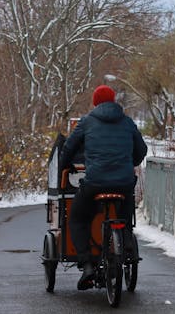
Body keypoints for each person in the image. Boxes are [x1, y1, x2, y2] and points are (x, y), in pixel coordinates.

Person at [60, 85, 147, 290]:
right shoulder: (127, 122)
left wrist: (66, 165)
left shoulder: (87, 122)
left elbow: (69, 147)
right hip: (124, 183)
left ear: (95, 102)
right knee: (125, 215)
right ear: (114, 101)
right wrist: (129, 162)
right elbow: (141, 150)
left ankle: (87, 264)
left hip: (95, 183)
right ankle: (125, 242)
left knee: (78, 218)